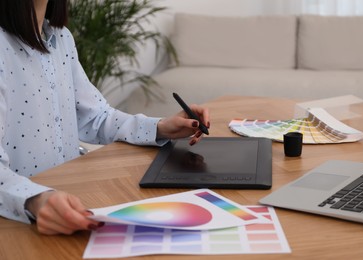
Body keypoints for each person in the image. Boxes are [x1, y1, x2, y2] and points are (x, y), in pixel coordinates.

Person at [0, 0, 210, 235]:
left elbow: (96, 117)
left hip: (74, 208)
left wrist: (160, 127)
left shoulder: (62, 39)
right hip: (19, 226)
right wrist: (35, 200)